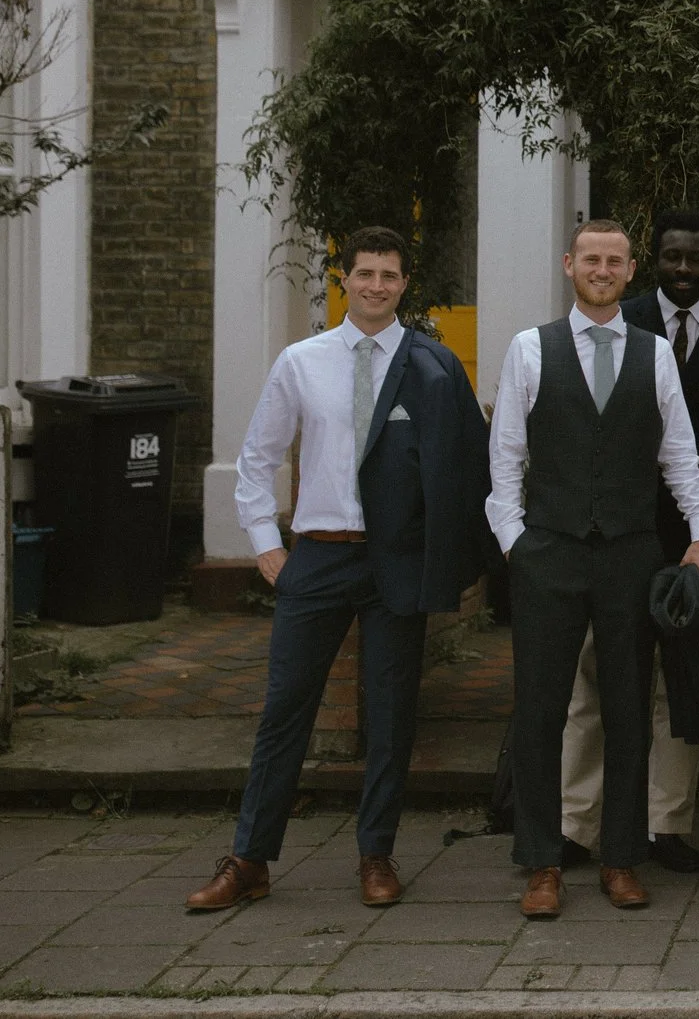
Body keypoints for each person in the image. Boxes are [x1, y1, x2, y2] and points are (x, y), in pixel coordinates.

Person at [185, 227, 490, 913]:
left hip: (397, 559)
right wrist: (267, 544)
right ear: (343, 278)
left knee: (392, 714)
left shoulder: (434, 366)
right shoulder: (302, 361)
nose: (377, 285)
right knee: (284, 710)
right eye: (365, 273)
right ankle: (250, 859)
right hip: (319, 554)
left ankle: (376, 853)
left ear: (405, 283)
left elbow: (468, 468)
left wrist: (453, 557)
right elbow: (259, 457)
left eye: (390, 274)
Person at [488, 219, 699, 918]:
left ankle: (621, 857)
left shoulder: (654, 354)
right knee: (540, 711)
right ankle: (542, 861)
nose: (602, 269)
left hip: (629, 552)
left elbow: (680, 456)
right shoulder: (530, 348)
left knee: (627, 709)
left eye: (614, 260)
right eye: (591, 258)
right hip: (549, 552)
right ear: (570, 264)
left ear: (629, 270)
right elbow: (506, 457)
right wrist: (515, 543)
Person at [551, 210, 699, 875]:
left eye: (696, 258)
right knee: (590, 680)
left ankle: (667, 823)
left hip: (698, 543)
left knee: (680, 686)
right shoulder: (620, 319)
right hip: (615, 533)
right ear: (652, 262)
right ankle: (575, 824)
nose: (684, 269)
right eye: (672, 257)